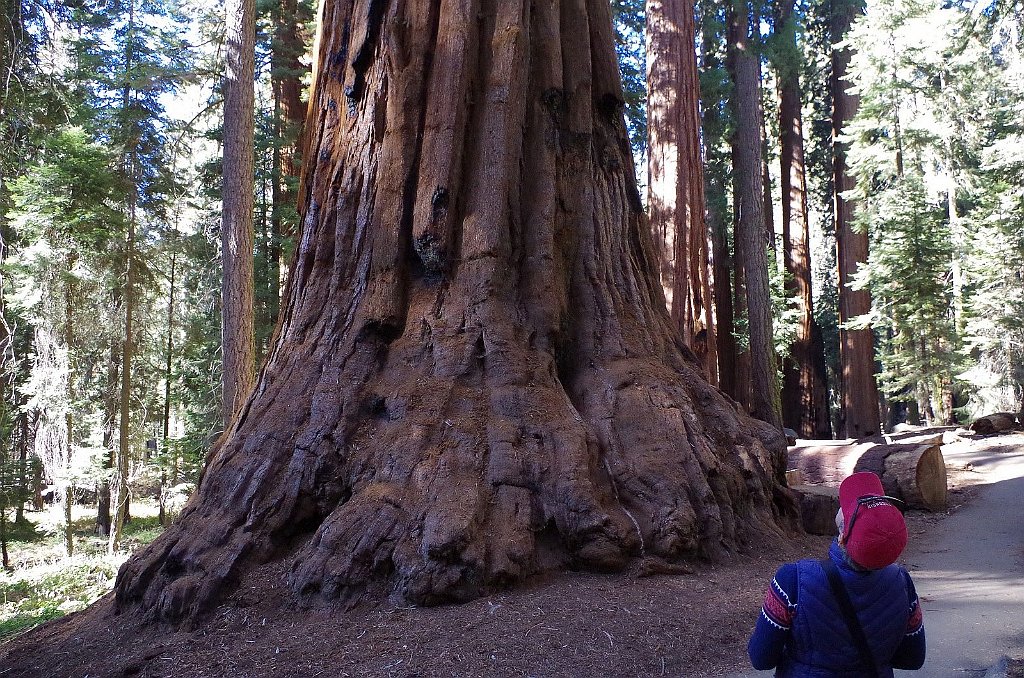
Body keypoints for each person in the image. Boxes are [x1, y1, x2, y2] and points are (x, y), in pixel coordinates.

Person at [747, 471, 926, 676]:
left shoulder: (791, 581)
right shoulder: (903, 583)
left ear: (842, 536)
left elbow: (760, 658)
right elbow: (913, 658)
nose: (842, 506)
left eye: (848, 509)